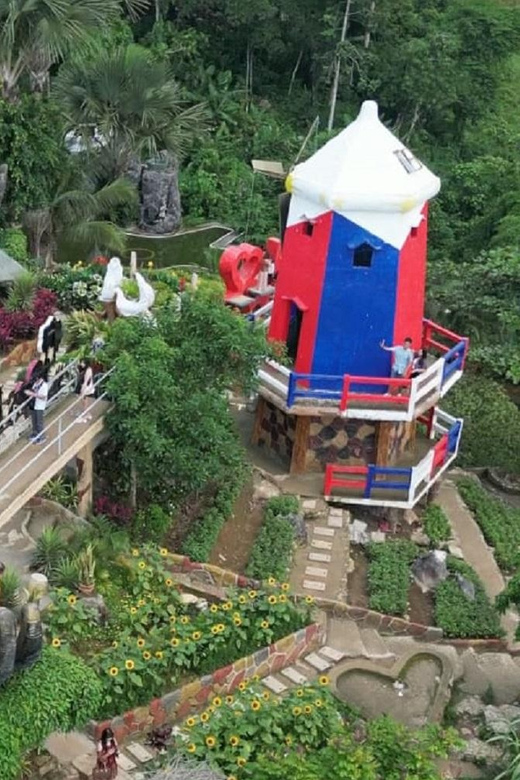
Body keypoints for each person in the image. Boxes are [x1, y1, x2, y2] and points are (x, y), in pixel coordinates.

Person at [25, 370, 49, 444]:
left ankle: (42, 437)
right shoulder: (36, 384)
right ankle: (35, 434)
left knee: (39, 422)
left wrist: (32, 394)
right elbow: (33, 390)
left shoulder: (44, 385)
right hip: (33, 405)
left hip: (40, 406)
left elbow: (43, 397)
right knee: (34, 421)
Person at [75, 359, 95, 423]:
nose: (81, 364)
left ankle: (86, 413)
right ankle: (86, 412)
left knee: (84, 399)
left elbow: (86, 381)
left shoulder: (88, 370)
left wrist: (82, 390)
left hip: (86, 387)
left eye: (82, 363)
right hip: (83, 385)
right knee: (83, 400)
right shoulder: (83, 369)